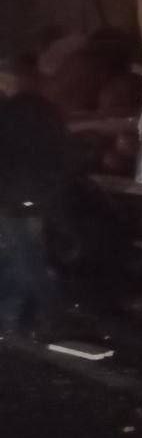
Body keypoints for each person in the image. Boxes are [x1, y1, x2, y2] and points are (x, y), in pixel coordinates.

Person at [0, 89, 74, 332]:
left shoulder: (12, 120)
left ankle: (50, 313)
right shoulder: (37, 110)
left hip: (15, 199)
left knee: (25, 258)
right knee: (20, 256)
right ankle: (17, 314)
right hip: (31, 198)